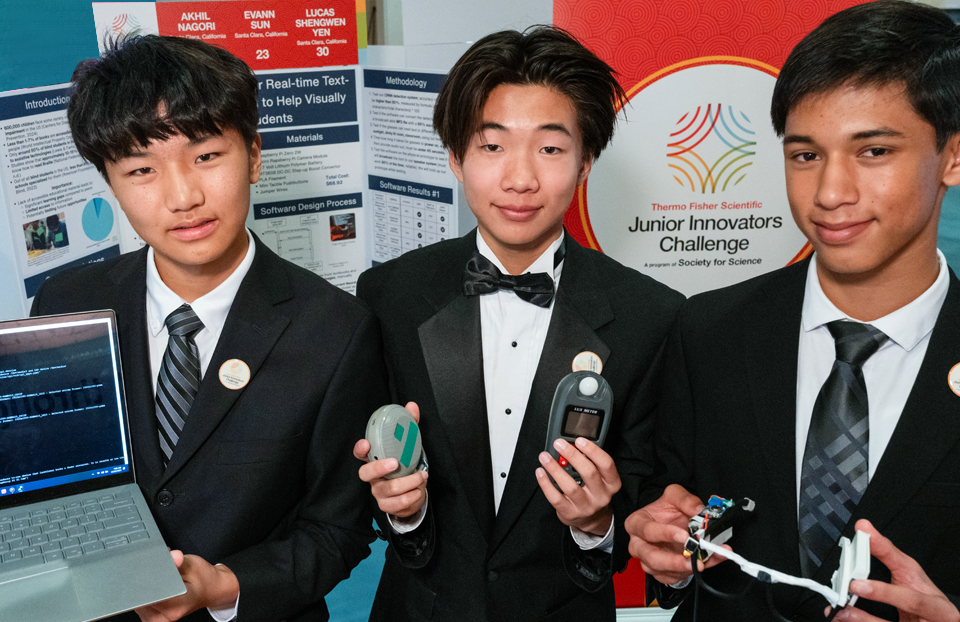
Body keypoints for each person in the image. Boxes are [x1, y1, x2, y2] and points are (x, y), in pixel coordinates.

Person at [31, 35, 388, 622]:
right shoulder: (66, 304)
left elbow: (338, 530)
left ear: (253, 154)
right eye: (141, 169)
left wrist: (223, 586)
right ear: (109, 182)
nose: (183, 197)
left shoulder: (335, 331)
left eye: (206, 156)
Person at [625, 2, 960, 620]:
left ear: (953, 157)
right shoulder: (709, 332)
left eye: (874, 152)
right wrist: (660, 544)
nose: (831, 193)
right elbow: (665, 509)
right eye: (805, 155)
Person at [353, 26, 684, 621]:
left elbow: (645, 496)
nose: (520, 179)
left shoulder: (651, 314)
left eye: (551, 149)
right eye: (492, 146)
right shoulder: (391, 294)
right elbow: (365, 480)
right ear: (455, 157)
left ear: (586, 161)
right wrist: (404, 509)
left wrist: (596, 523)